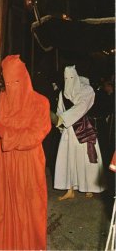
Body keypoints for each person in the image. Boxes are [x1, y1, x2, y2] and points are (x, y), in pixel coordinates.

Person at [0, 55, 51, 250]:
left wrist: (7, 132)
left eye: (17, 81)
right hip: (3, 164)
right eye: (9, 82)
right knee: (1, 210)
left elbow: (36, 134)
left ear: (25, 78)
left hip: (29, 166)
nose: (14, 86)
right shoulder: (0, 100)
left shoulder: (40, 102)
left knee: (29, 212)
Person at [54, 65, 105, 200]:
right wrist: (60, 124)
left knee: (85, 159)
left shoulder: (86, 90)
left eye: (71, 77)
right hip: (68, 131)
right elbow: (60, 110)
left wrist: (64, 119)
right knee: (68, 159)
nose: (68, 80)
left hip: (83, 128)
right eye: (66, 78)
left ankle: (89, 187)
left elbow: (82, 106)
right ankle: (70, 189)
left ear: (76, 77)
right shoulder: (62, 93)